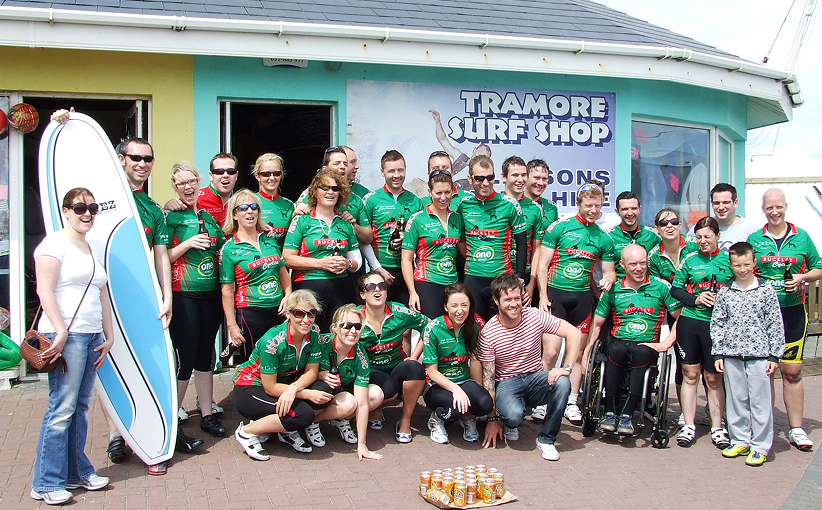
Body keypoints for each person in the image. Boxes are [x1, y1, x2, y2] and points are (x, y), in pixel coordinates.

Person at [50, 110, 174, 473]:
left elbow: (160, 255)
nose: (141, 163)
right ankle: (117, 433)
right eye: (134, 157)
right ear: (120, 160)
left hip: (141, 302)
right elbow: (73, 170)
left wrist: (165, 296)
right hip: (99, 300)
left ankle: (152, 432)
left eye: (147, 159)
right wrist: (67, 123)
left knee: (144, 363)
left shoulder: (153, 208)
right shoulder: (97, 200)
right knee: (108, 366)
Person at [31, 188, 114, 504]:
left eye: (92, 207)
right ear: (65, 210)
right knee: (61, 408)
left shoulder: (89, 245)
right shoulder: (53, 244)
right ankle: (46, 481)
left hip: (91, 336)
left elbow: (101, 292)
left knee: (79, 407)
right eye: (80, 207)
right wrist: (61, 331)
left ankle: (76, 472)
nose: (87, 213)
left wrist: (108, 335)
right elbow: (44, 290)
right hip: (67, 336)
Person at [747, 188, 822, 451]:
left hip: (792, 312)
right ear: (763, 209)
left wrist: (802, 278)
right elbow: (745, 270)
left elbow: (819, 267)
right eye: (770, 208)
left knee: (792, 371)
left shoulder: (802, 237)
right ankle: (764, 427)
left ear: (786, 207)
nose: (774, 212)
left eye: (778, 207)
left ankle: (797, 429)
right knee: (764, 371)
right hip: (763, 315)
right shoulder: (755, 239)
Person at [478, 273, 582, 461]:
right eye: (507, 299)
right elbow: (488, 382)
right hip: (507, 382)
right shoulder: (488, 333)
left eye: (517, 298)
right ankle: (510, 421)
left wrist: (566, 367)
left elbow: (573, 333)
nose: (513, 304)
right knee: (513, 415)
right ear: (496, 300)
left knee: (563, 382)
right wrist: (492, 420)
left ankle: (547, 439)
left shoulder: (534, 315)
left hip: (535, 377)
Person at [536, 182, 616, 425]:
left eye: (597, 205)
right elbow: (542, 264)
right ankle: (540, 400)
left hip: (581, 299)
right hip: (555, 296)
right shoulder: (560, 227)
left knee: (578, 354)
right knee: (550, 352)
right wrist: (541, 296)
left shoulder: (604, 238)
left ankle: (571, 401)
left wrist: (610, 279)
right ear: (578, 204)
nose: (593, 210)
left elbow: (609, 271)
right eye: (588, 205)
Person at [588, 245, 681, 435]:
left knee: (640, 352)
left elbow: (681, 316)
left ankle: (627, 416)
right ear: (622, 265)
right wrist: (586, 355)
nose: (639, 268)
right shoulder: (613, 290)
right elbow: (597, 324)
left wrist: (666, 343)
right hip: (619, 343)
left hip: (646, 345)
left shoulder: (661, 286)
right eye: (633, 264)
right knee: (615, 351)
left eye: (642, 263)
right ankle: (610, 412)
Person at [165, 162, 227, 441]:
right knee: (186, 356)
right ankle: (171, 417)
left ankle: (206, 414)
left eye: (192, 181)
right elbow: (161, 259)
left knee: (205, 356)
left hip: (210, 293)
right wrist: (187, 244)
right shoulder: (170, 217)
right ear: (175, 187)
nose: (188, 187)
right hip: (183, 293)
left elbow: (221, 247)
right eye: (181, 184)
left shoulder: (207, 216)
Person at [232, 290, 334, 459]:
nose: (306, 320)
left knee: (325, 389)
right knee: (303, 414)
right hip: (251, 387)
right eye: (299, 313)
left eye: (311, 313)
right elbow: (270, 387)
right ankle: (247, 432)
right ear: (288, 314)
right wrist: (305, 393)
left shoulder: (314, 331)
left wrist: (293, 390)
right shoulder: (271, 342)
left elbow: (311, 371)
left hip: (285, 384)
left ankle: (283, 429)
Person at [711, 241, 785, 467]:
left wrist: (774, 355)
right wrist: (718, 353)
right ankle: (740, 439)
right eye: (737, 265)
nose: (742, 269)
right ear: (731, 265)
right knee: (736, 399)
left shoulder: (766, 290)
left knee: (760, 402)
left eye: (746, 264)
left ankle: (760, 445)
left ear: (754, 263)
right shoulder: (725, 292)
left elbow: (774, 324)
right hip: (732, 354)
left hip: (759, 355)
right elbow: (718, 323)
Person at [671, 216, 734, 447]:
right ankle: (689, 425)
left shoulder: (729, 260)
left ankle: (718, 427)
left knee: (713, 377)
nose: (703, 241)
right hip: (691, 322)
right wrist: (695, 298)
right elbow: (676, 290)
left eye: (707, 236)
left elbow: (742, 286)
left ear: (717, 236)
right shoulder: (689, 260)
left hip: (717, 326)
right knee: (690, 374)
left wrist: (724, 299)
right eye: (698, 237)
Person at [282, 169, 362, 331]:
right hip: (308, 286)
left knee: (341, 334)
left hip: (340, 286)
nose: (330, 192)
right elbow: (288, 258)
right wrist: (321, 263)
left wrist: (347, 263)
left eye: (335, 189)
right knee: (308, 336)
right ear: (315, 192)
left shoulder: (345, 223)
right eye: (324, 188)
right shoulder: (301, 220)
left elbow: (358, 261)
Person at [220, 190, 291, 364]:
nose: (249, 211)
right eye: (243, 208)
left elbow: (283, 273)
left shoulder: (269, 239)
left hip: (278, 310)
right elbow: (227, 291)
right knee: (255, 363)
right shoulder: (230, 248)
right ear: (235, 215)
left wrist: (288, 296)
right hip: (251, 313)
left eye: (254, 207)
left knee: (281, 360)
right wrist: (232, 325)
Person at [357, 271, 429, 442]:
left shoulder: (399, 311)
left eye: (382, 286)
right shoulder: (355, 316)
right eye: (371, 287)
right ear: (362, 294)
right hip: (369, 371)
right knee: (386, 389)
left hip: (396, 366)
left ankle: (405, 421)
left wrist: (415, 355)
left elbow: (429, 326)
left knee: (415, 368)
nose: (378, 290)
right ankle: (375, 409)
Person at [457, 155, 527, 320]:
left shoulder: (510, 204)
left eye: (490, 177)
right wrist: (471, 259)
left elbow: (522, 243)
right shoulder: (464, 205)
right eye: (480, 178)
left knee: (504, 332)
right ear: (470, 179)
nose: (485, 183)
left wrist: (521, 277)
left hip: (501, 279)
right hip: (473, 278)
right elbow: (460, 240)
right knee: (474, 331)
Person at [647, 207, 699, 427]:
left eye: (674, 222)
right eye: (663, 223)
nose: (669, 226)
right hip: (676, 310)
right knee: (684, 362)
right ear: (657, 229)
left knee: (711, 367)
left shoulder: (695, 247)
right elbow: (661, 289)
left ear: (680, 225)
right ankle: (685, 412)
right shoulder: (653, 258)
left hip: (704, 310)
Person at [422, 283, 492, 444]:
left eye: (464, 305)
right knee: (452, 410)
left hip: (463, 380)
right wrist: (456, 389)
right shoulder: (433, 329)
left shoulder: (474, 326)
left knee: (485, 404)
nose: (460, 310)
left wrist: (478, 389)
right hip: (436, 384)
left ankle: (468, 418)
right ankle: (435, 418)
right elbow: (432, 371)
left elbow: (475, 359)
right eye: (454, 306)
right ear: (446, 307)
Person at [315, 304, 384, 460]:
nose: (353, 331)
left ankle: (334, 419)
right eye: (347, 325)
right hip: (317, 391)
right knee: (344, 400)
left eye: (358, 326)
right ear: (334, 327)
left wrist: (362, 444)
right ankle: (308, 421)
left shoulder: (360, 355)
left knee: (375, 395)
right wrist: (319, 374)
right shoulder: (321, 343)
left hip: (341, 391)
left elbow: (363, 403)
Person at [362, 150, 424, 305]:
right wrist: (377, 267)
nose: (397, 175)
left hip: (408, 271)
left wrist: (409, 240)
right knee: (379, 319)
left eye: (400, 170)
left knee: (406, 323)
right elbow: (363, 239)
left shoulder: (416, 201)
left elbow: (423, 239)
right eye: (391, 171)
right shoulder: (371, 200)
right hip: (379, 270)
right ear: (382, 172)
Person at [401, 170, 464, 318]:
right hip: (427, 284)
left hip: (452, 283)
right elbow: (406, 259)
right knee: (431, 330)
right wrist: (412, 292)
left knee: (450, 329)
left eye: (447, 192)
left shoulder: (457, 218)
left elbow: (464, 252)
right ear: (430, 192)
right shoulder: (418, 219)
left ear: (453, 191)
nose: (443, 197)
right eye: (438, 193)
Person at [293, 147, 373, 245]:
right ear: (324, 169)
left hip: (349, 256)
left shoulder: (357, 198)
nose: (342, 167)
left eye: (345, 163)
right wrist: (294, 214)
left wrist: (353, 226)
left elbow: (368, 238)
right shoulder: (311, 193)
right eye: (337, 163)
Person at [501, 156, 545, 305]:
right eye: (515, 175)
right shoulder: (496, 204)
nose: (520, 180)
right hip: (498, 273)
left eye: (523, 175)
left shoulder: (535, 208)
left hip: (523, 275)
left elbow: (537, 249)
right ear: (504, 177)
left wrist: (532, 283)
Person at [690, 183, 758, 253]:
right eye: (716, 203)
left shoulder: (751, 230)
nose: (721, 207)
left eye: (725, 202)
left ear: (735, 203)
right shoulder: (700, 228)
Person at [606, 191, 660, 277]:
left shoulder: (653, 236)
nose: (630, 213)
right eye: (625, 209)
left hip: (647, 287)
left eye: (634, 208)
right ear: (617, 211)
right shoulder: (608, 237)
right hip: (619, 287)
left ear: (640, 209)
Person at [253, 153, 294, 252]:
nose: (272, 178)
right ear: (257, 176)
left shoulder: (289, 205)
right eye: (266, 174)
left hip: (281, 264)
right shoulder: (249, 202)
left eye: (276, 173)